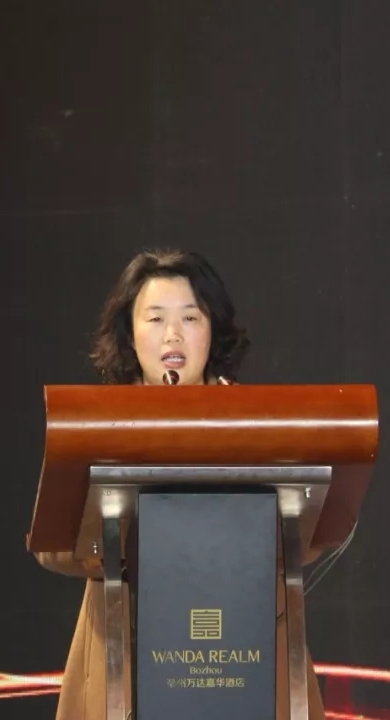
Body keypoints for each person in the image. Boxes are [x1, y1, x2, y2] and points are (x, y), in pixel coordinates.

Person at [33, 248, 327, 720]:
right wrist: (129, 542)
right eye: (155, 319)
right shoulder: (97, 425)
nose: (173, 333)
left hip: (246, 645)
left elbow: (308, 532)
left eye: (191, 317)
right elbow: (51, 542)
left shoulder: (261, 424)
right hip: (126, 651)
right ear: (130, 334)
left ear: (213, 331)